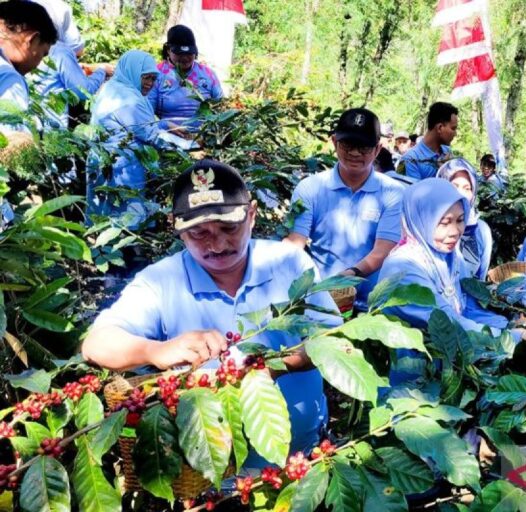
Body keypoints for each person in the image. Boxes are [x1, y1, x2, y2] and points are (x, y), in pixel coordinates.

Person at [82, 160, 340, 461]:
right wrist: (155, 350)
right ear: (177, 229)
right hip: (209, 477)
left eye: (229, 228)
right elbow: (95, 344)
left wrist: (275, 365)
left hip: (303, 457)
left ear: (252, 215)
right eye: (198, 234)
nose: (216, 245)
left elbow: (333, 339)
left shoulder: (290, 264)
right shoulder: (161, 282)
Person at [378, 178, 526, 378]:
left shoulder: (451, 257)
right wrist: (520, 339)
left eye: (460, 220)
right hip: (416, 381)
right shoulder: (403, 268)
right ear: (421, 219)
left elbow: (471, 309)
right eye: (445, 222)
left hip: (454, 368)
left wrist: (512, 328)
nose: (455, 231)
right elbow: (450, 325)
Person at [284, 108, 404, 301]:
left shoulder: (394, 193)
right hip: (320, 299)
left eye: (363, 147)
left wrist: (346, 278)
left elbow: (383, 250)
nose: (355, 153)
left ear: (378, 149)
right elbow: (295, 242)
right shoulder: (309, 188)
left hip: (372, 303)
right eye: (348, 144)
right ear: (334, 142)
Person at [87, 50, 184, 227]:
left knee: (104, 220)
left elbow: (139, 126)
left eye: (153, 79)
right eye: (146, 78)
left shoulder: (114, 88)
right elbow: (151, 136)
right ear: (132, 72)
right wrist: (188, 150)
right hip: (122, 168)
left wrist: (165, 124)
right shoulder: (129, 100)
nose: (150, 84)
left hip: (106, 162)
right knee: (127, 222)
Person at [31, 0, 112, 129]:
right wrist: (101, 71)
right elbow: (83, 91)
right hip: (51, 129)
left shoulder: (21, 47)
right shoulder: (59, 50)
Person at [146, 25, 223, 131]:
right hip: (168, 136)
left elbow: (220, 107)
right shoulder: (156, 75)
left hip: (204, 137)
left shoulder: (208, 74)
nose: (185, 58)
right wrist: (165, 125)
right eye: (179, 53)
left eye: (189, 53)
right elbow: (146, 116)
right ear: (168, 50)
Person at [0, 0, 56, 134]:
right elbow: (12, 145)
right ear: (33, 39)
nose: (39, 63)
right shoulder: (10, 79)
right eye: (43, 54)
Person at [436, 158, 492, 280]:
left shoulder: (481, 230)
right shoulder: (430, 225)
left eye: (467, 188)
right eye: (454, 186)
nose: (460, 193)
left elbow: (480, 277)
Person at [397, 102, 457, 181]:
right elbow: (412, 192)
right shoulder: (410, 160)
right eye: (453, 128)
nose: (455, 133)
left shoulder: (447, 152)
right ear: (440, 128)